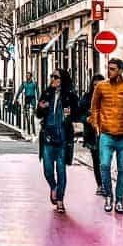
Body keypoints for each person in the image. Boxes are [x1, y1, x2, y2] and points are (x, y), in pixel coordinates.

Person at [89, 57, 123, 215]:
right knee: (104, 166)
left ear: (120, 70)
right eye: (108, 68)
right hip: (106, 134)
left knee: (122, 169)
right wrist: (96, 125)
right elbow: (94, 107)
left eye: (113, 68)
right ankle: (108, 196)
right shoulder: (101, 86)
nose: (109, 71)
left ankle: (119, 200)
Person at [37, 69, 78, 213]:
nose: (53, 79)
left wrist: (71, 113)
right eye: (52, 76)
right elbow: (38, 114)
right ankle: (53, 187)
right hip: (48, 134)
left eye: (56, 77)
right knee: (48, 169)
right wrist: (42, 108)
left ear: (63, 79)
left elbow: (77, 114)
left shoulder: (70, 95)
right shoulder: (47, 93)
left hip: (63, 136)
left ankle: (60, 200)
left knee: (61, 169)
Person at [78, 73, 104, 194]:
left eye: (99, 85)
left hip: (106, 133)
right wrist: (87, 118)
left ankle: (105, 184)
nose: (97, 87)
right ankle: (100, 184)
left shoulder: (107, 96)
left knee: (105, 160)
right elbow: (79, 114)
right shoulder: (87, 97)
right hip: (92, 134)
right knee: (96, 160)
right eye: (95, 85)